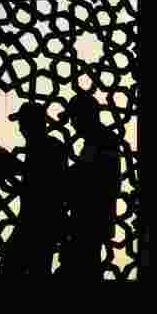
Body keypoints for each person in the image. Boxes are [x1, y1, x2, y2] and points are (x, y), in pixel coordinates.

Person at [0, 101, 68, 277]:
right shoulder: (45, 146)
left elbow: (37, 186)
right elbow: (29, 180)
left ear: (34, 124)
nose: (21, 129)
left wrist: (1, 159)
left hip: (39, 222)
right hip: (37, 221)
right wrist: (2, 160)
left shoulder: (48, 147)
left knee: (13, 268)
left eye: (23, 123)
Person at [56, 92, 120, 280]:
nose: (72, 124)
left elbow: (90, 177)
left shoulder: (103, 140)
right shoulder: (98, 140)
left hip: (90, 220)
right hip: (90, 220)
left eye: (74, 118)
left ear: (86, 116)